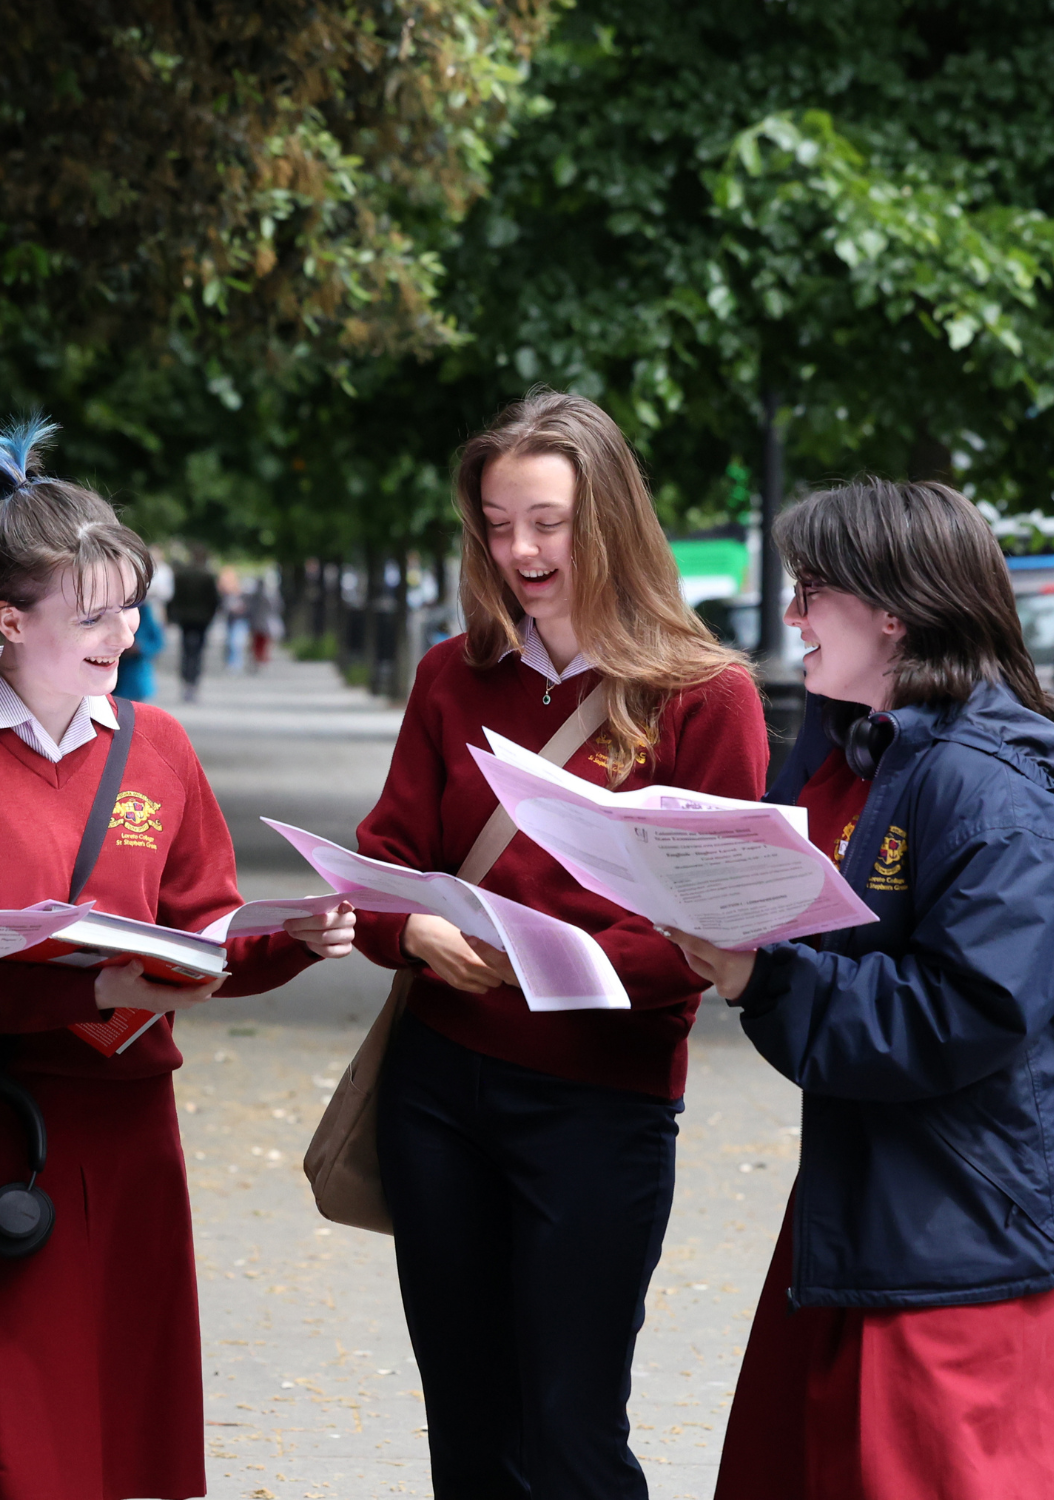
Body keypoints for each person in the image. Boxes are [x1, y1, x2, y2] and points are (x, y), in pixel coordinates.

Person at [0, 418, 356, 1500]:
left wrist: (300, 940)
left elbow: (204, 931)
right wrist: (89, 986)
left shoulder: (157, 746)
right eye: (91, 614)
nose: (123, 633)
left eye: (128, 604)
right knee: (3, 1433)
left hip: (135, 1128)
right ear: (7, 619)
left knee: (127, 1428)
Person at [351, 389, 769, 1499]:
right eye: (496, 523)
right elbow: (385, 855)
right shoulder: (453, 674)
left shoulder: (706, 697)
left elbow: (713, 928)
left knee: (572, 1429)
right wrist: (412, 929)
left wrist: (564, 965)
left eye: (546, 521)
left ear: (612, 520)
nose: (519, 550)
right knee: (470, 1427)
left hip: (601, 1100)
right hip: (438, 1091)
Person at [664, 479, 1054, 1500]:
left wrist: (761, 977)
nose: (791, 618)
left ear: (893, 608)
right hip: (882, 1202)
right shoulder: (879, 750)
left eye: (811, 592)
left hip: (956, 1236)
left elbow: (968, 1012)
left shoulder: (985, 782)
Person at [166, 547, 219, 701]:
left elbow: (175, 597)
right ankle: (193, 681)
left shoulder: (181, 575)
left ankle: (186, 681)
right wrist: (211, 616)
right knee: (198, 651)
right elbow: (214, 600)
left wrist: (173, 616)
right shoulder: (208, 576)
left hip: (185, 617)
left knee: (186, 650)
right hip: (202, 618)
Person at [113, 598, 166, 701]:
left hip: (136, 672)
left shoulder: (145, 612)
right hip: (116, 673)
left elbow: (158, 642)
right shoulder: (112, 609)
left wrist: (140, 648)